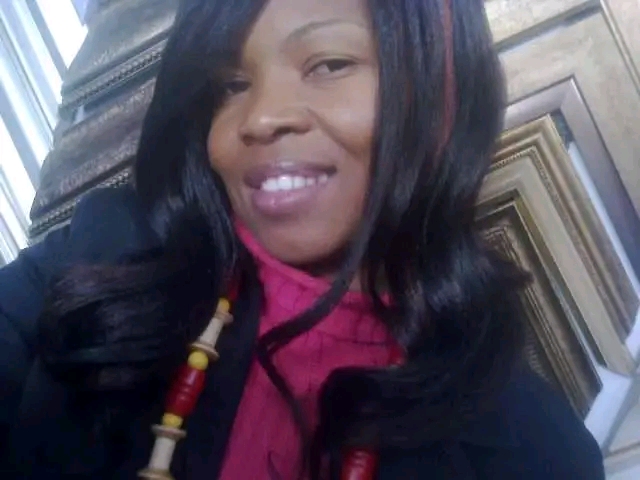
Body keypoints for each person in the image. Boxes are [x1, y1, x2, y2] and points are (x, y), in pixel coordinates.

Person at [0, 0, 605, 478]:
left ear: (442, 92)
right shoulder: (106, 253)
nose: (261, 117)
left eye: (329, 64)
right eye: (230, 85)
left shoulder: (534, 450)